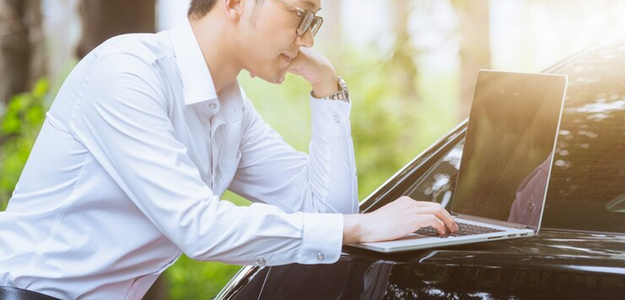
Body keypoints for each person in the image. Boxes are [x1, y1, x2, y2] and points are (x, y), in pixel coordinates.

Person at [0, 0, 457, 299]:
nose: (308, 38)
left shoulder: (231, 108)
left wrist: (328, 87)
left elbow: (328, 212)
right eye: (301, 15)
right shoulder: (127, 73)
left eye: (314, 21)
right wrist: (360, 227)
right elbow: (200, 229)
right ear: (236, 3)